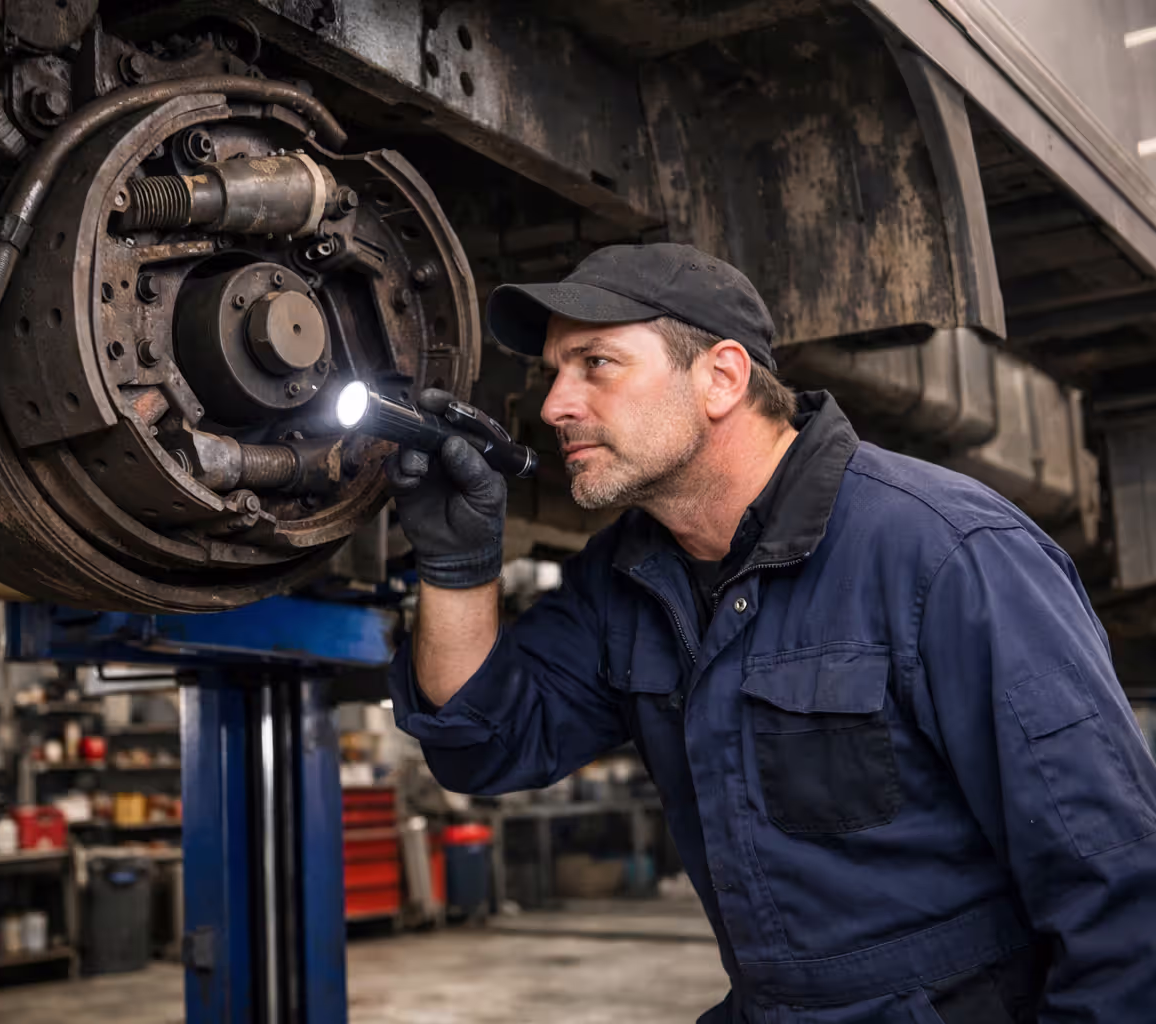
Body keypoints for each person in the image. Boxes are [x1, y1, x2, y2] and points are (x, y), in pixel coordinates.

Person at [385, 243, 1156, 1023]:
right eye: (555, 372)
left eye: (595, 363)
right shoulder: (626, 580)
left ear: (721, 377)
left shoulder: (945, 553)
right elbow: (482, 741)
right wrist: (458, 567)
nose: (554, 405)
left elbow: (1119, 889)